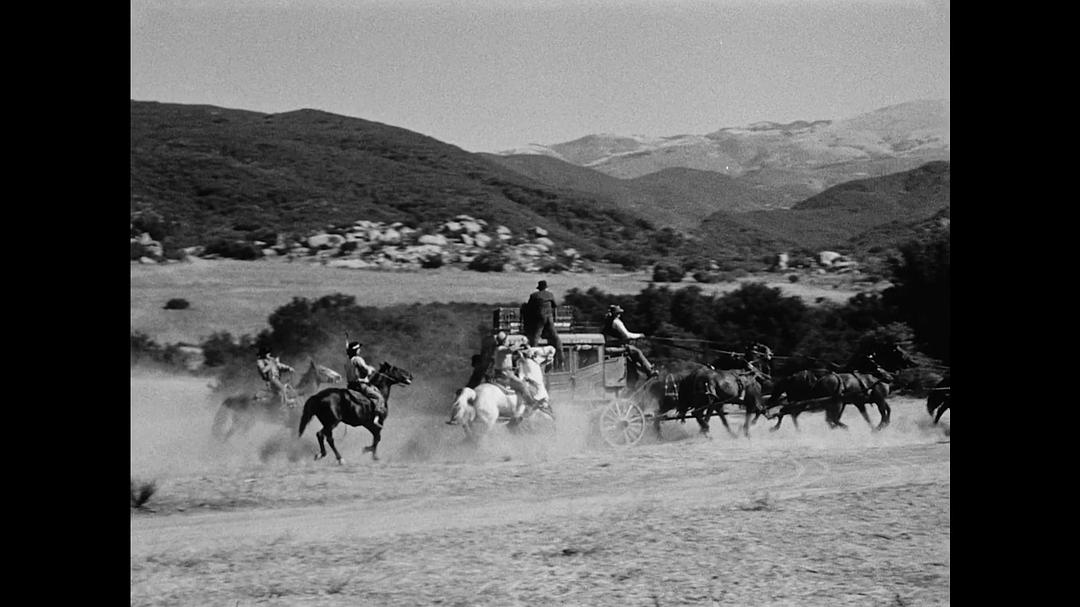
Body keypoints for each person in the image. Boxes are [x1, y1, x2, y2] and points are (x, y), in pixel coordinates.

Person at [602, 305, 658, 378]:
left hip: (609, 346)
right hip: (615, 347)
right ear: (616, 313)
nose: (619, 314)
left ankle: (643, 371)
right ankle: (650, 371)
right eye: (618, 313)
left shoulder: (607, 322)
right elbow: (627, 335)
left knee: (631, 361)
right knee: (636, 351)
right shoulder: (616, 322)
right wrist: (639, 335)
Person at [522, 280, 564, 367]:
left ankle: (532, 356)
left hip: (539, 318)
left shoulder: (534, 296)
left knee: (536, 337)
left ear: (539, 288)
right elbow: (555, 305)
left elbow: (529, 307)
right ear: (546, 287)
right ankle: (561, 357)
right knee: (555, 337)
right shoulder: (550, 295)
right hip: (549, 318)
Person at [344, 340, 386, 428]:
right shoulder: (357, 359)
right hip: (360, 385)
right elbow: (365, 370)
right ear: (356, 350)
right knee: (379, 397)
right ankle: (376, 418)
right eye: (359, 349)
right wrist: (371, 369)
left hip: (350, 386)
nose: (360, 350)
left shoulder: (347, 361)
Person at [490, 330, 538, 407]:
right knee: (522, 385)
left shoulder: (500, 349)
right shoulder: (500, 349)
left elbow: (510, 353)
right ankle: (531, 404)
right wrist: (521, 341)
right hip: (506, 375)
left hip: (505, 373)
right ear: (504, 341)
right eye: (507, 340)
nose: (508, 341)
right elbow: (511, 350)